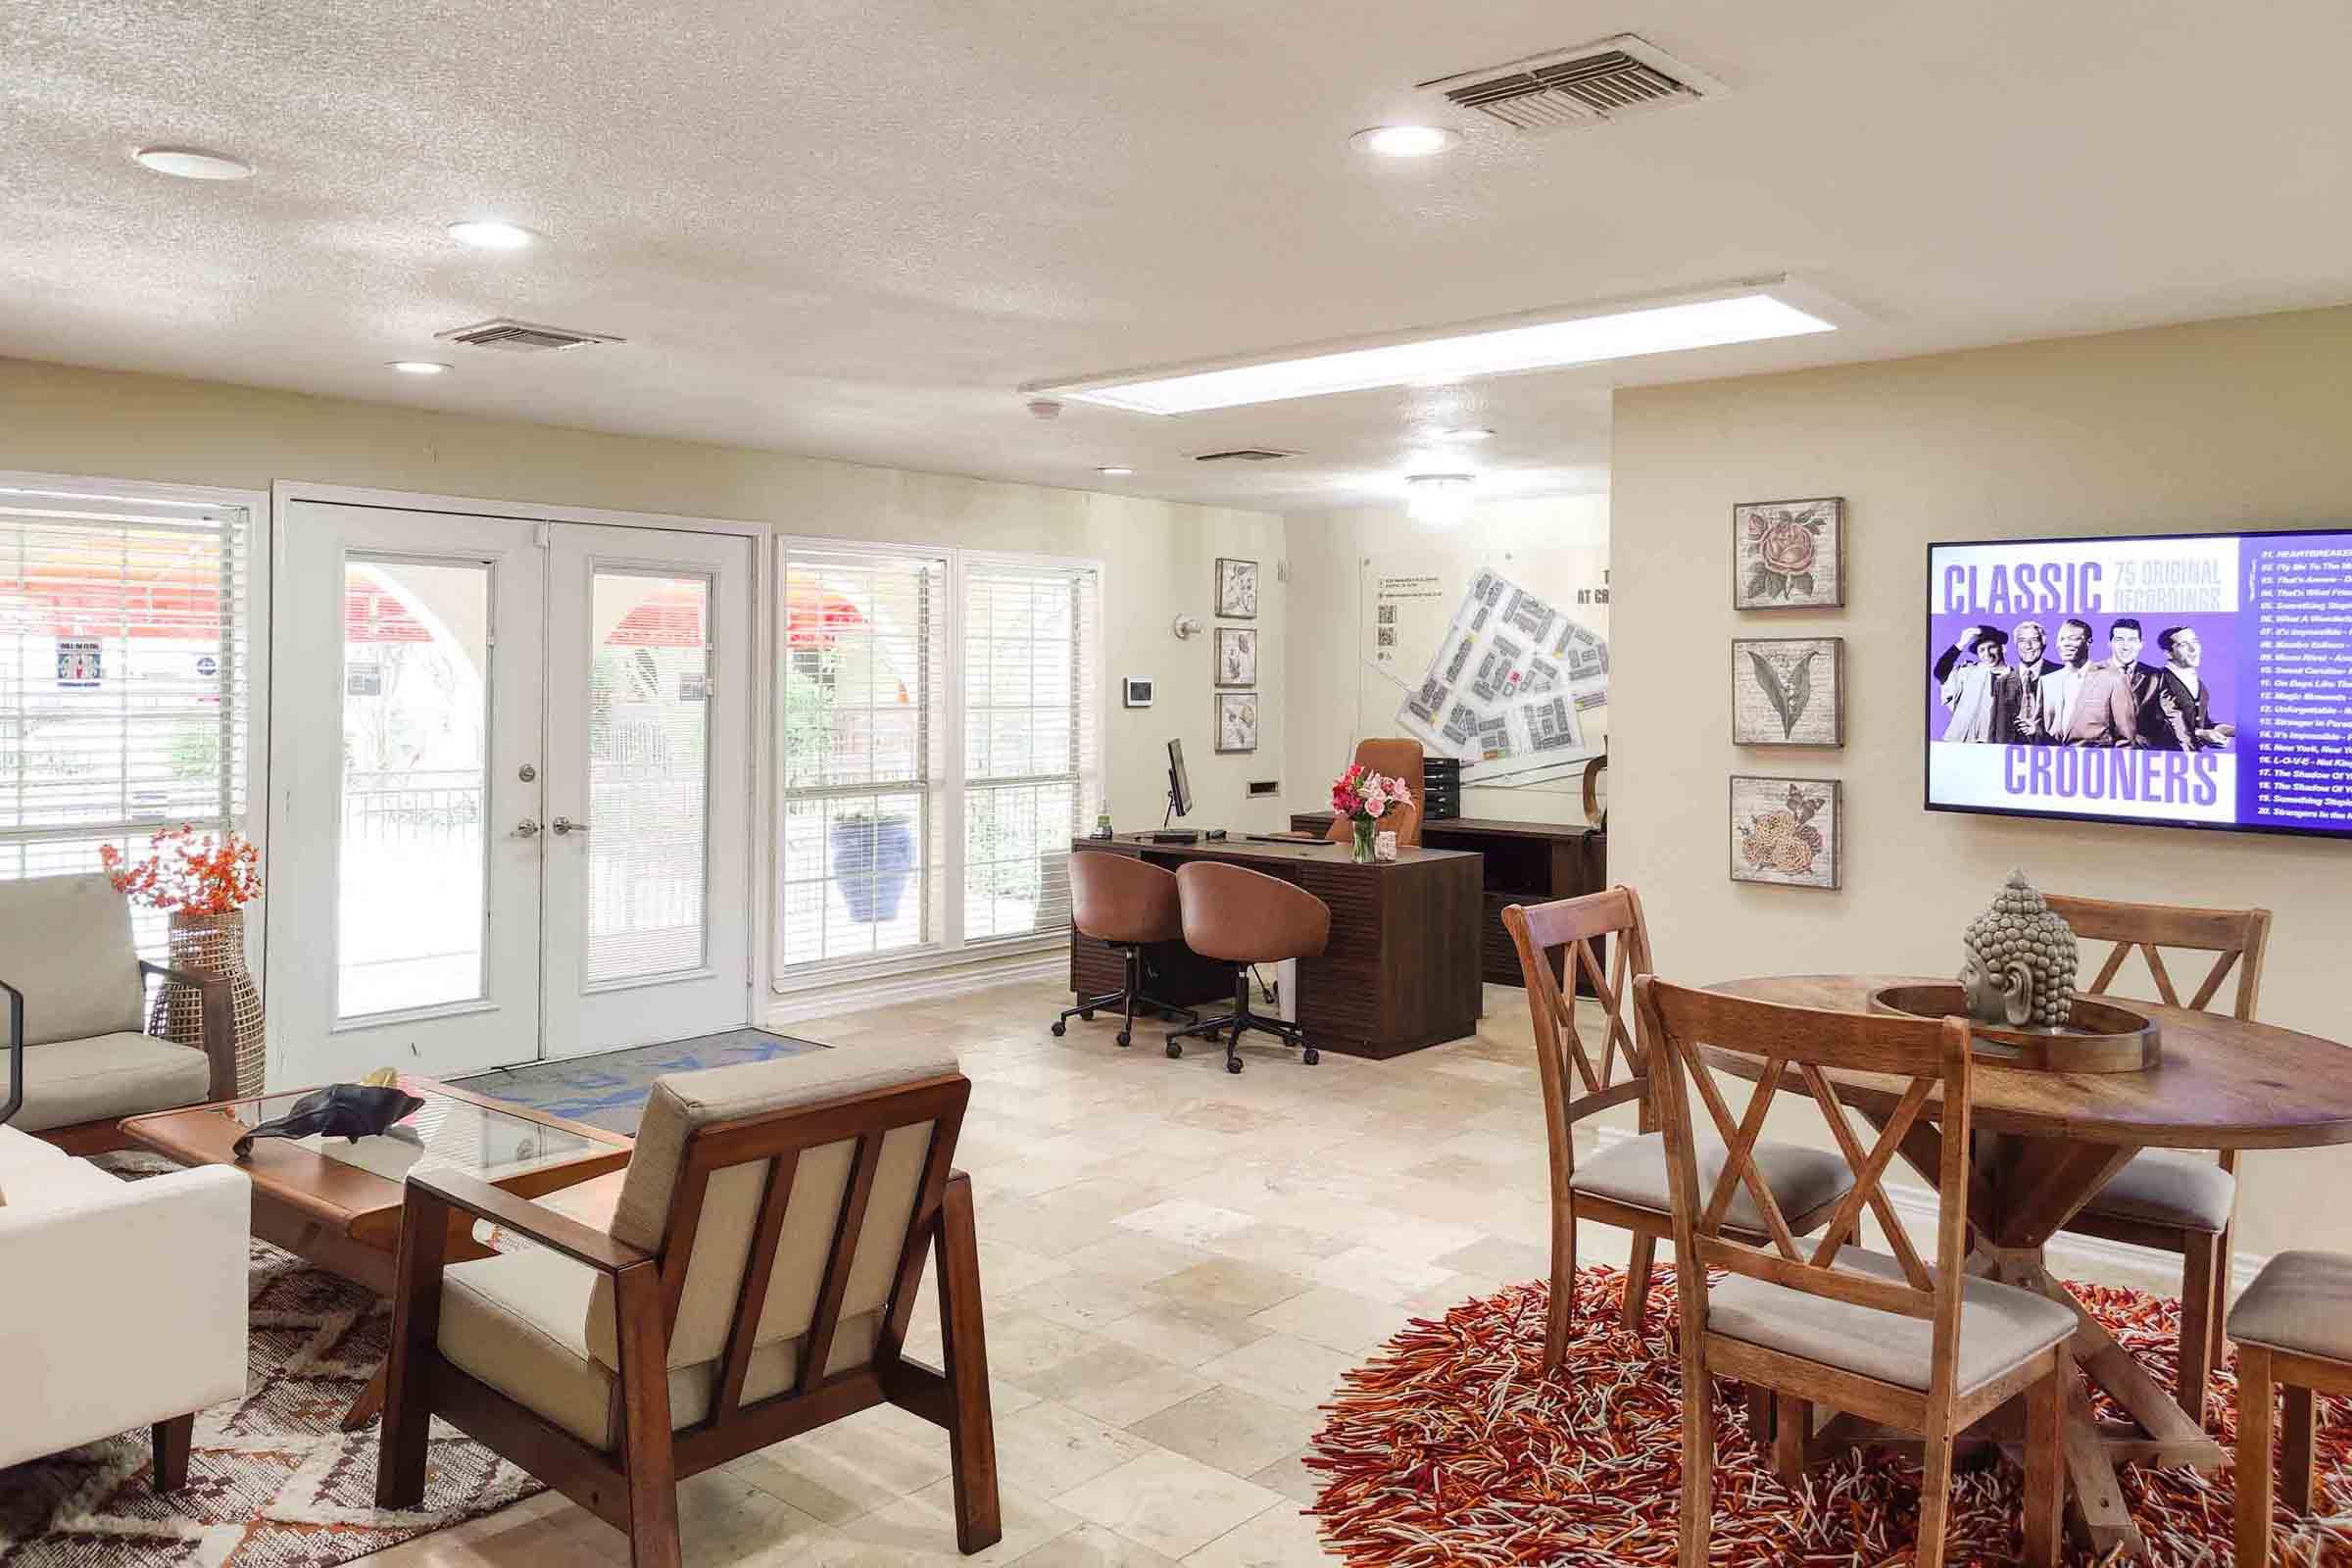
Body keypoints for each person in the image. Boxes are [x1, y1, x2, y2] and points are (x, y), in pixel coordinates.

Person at [2030, 617, 2138, 746]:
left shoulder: (2113, 680)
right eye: (2062, 639)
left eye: (2073, 638)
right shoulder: (2047, 682)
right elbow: (2038, 731)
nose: (2066, 644)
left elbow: (2126, 740)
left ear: (2088, 642)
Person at [2150, 625, 2234, 751]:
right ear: (2168, 653)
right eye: (2184, 644)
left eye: (2195, 642)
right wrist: (2200, 734)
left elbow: (2202, 723)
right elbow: (2149, 730)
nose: (2193, 649)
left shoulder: (2199, 685)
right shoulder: (2155, 680)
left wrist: (2230, 731)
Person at [1933, 624, 2020, 742]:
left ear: (2002, 648)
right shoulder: (1968, 672)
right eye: (1982, 650)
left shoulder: (2019, 679)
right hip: (1959, 742)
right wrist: (1961, 643)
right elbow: (1940, 672)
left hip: (1995, 747)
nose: (1987, 654)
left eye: (1991, 647)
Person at [2106, 617, 2165, 745]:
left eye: (2132, 640)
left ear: (2141, 644)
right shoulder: (2093, 673)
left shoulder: (2156, 676)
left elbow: (2164, 719)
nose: (2126, 646)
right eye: (2119, 640)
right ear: (2110, 643)